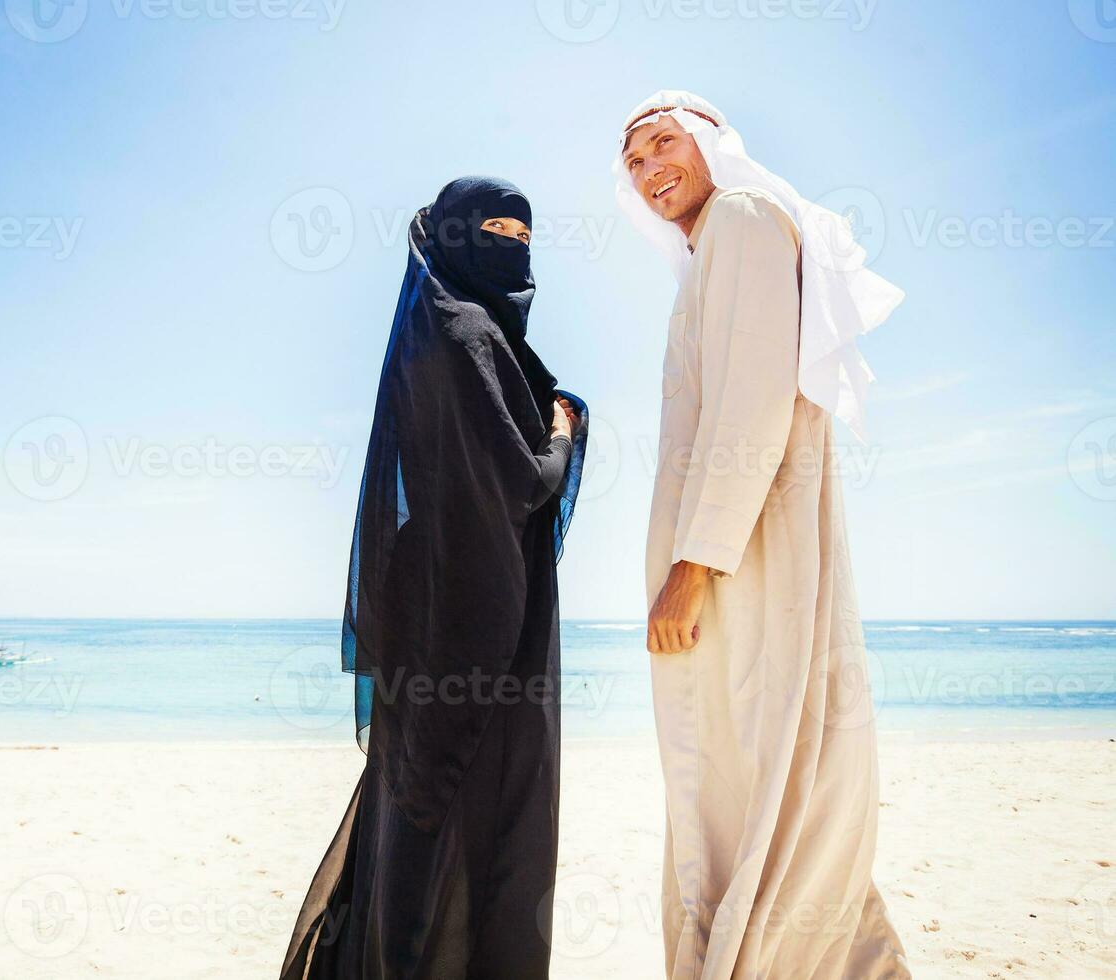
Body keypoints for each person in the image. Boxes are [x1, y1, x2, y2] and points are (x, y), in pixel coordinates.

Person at [613, 91, 911, 978]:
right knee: (761, 770)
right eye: (632, 163)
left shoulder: (742, 219)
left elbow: (748, 407)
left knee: (754, 769)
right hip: (748, 552)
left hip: (744, 559)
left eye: (662, 144)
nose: (648, 168)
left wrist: (692, 566)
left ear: (711, 144)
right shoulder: (719, 245)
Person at [280, 177, 589, 979]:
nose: (510, 244)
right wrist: (565, 428)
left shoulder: (440, 327)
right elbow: (522, 480)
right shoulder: (465, 331)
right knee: (481, 807)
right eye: (491, 227)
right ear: (452, 234)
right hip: (478, 616)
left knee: (423, 807)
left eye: (522, 231)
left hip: (443, 600)